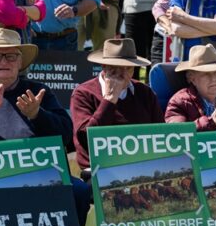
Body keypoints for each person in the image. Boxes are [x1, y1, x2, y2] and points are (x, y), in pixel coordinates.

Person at [0, 29, 90, 225]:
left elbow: (65, 134)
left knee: (80, 191)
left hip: (40, 175)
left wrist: (37, 115)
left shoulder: (39, 92)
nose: (4, 62)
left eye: (11, 56)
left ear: (21, 62)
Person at [70, 38, 164, 169]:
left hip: (141, 165)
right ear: (104, 67)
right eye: (118, 68)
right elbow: (86, 137)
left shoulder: (144, 92)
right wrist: (109, 100)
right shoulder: (83, 93)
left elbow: (160, 133)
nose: (124, 74)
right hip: (100, 168)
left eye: (129, 68)